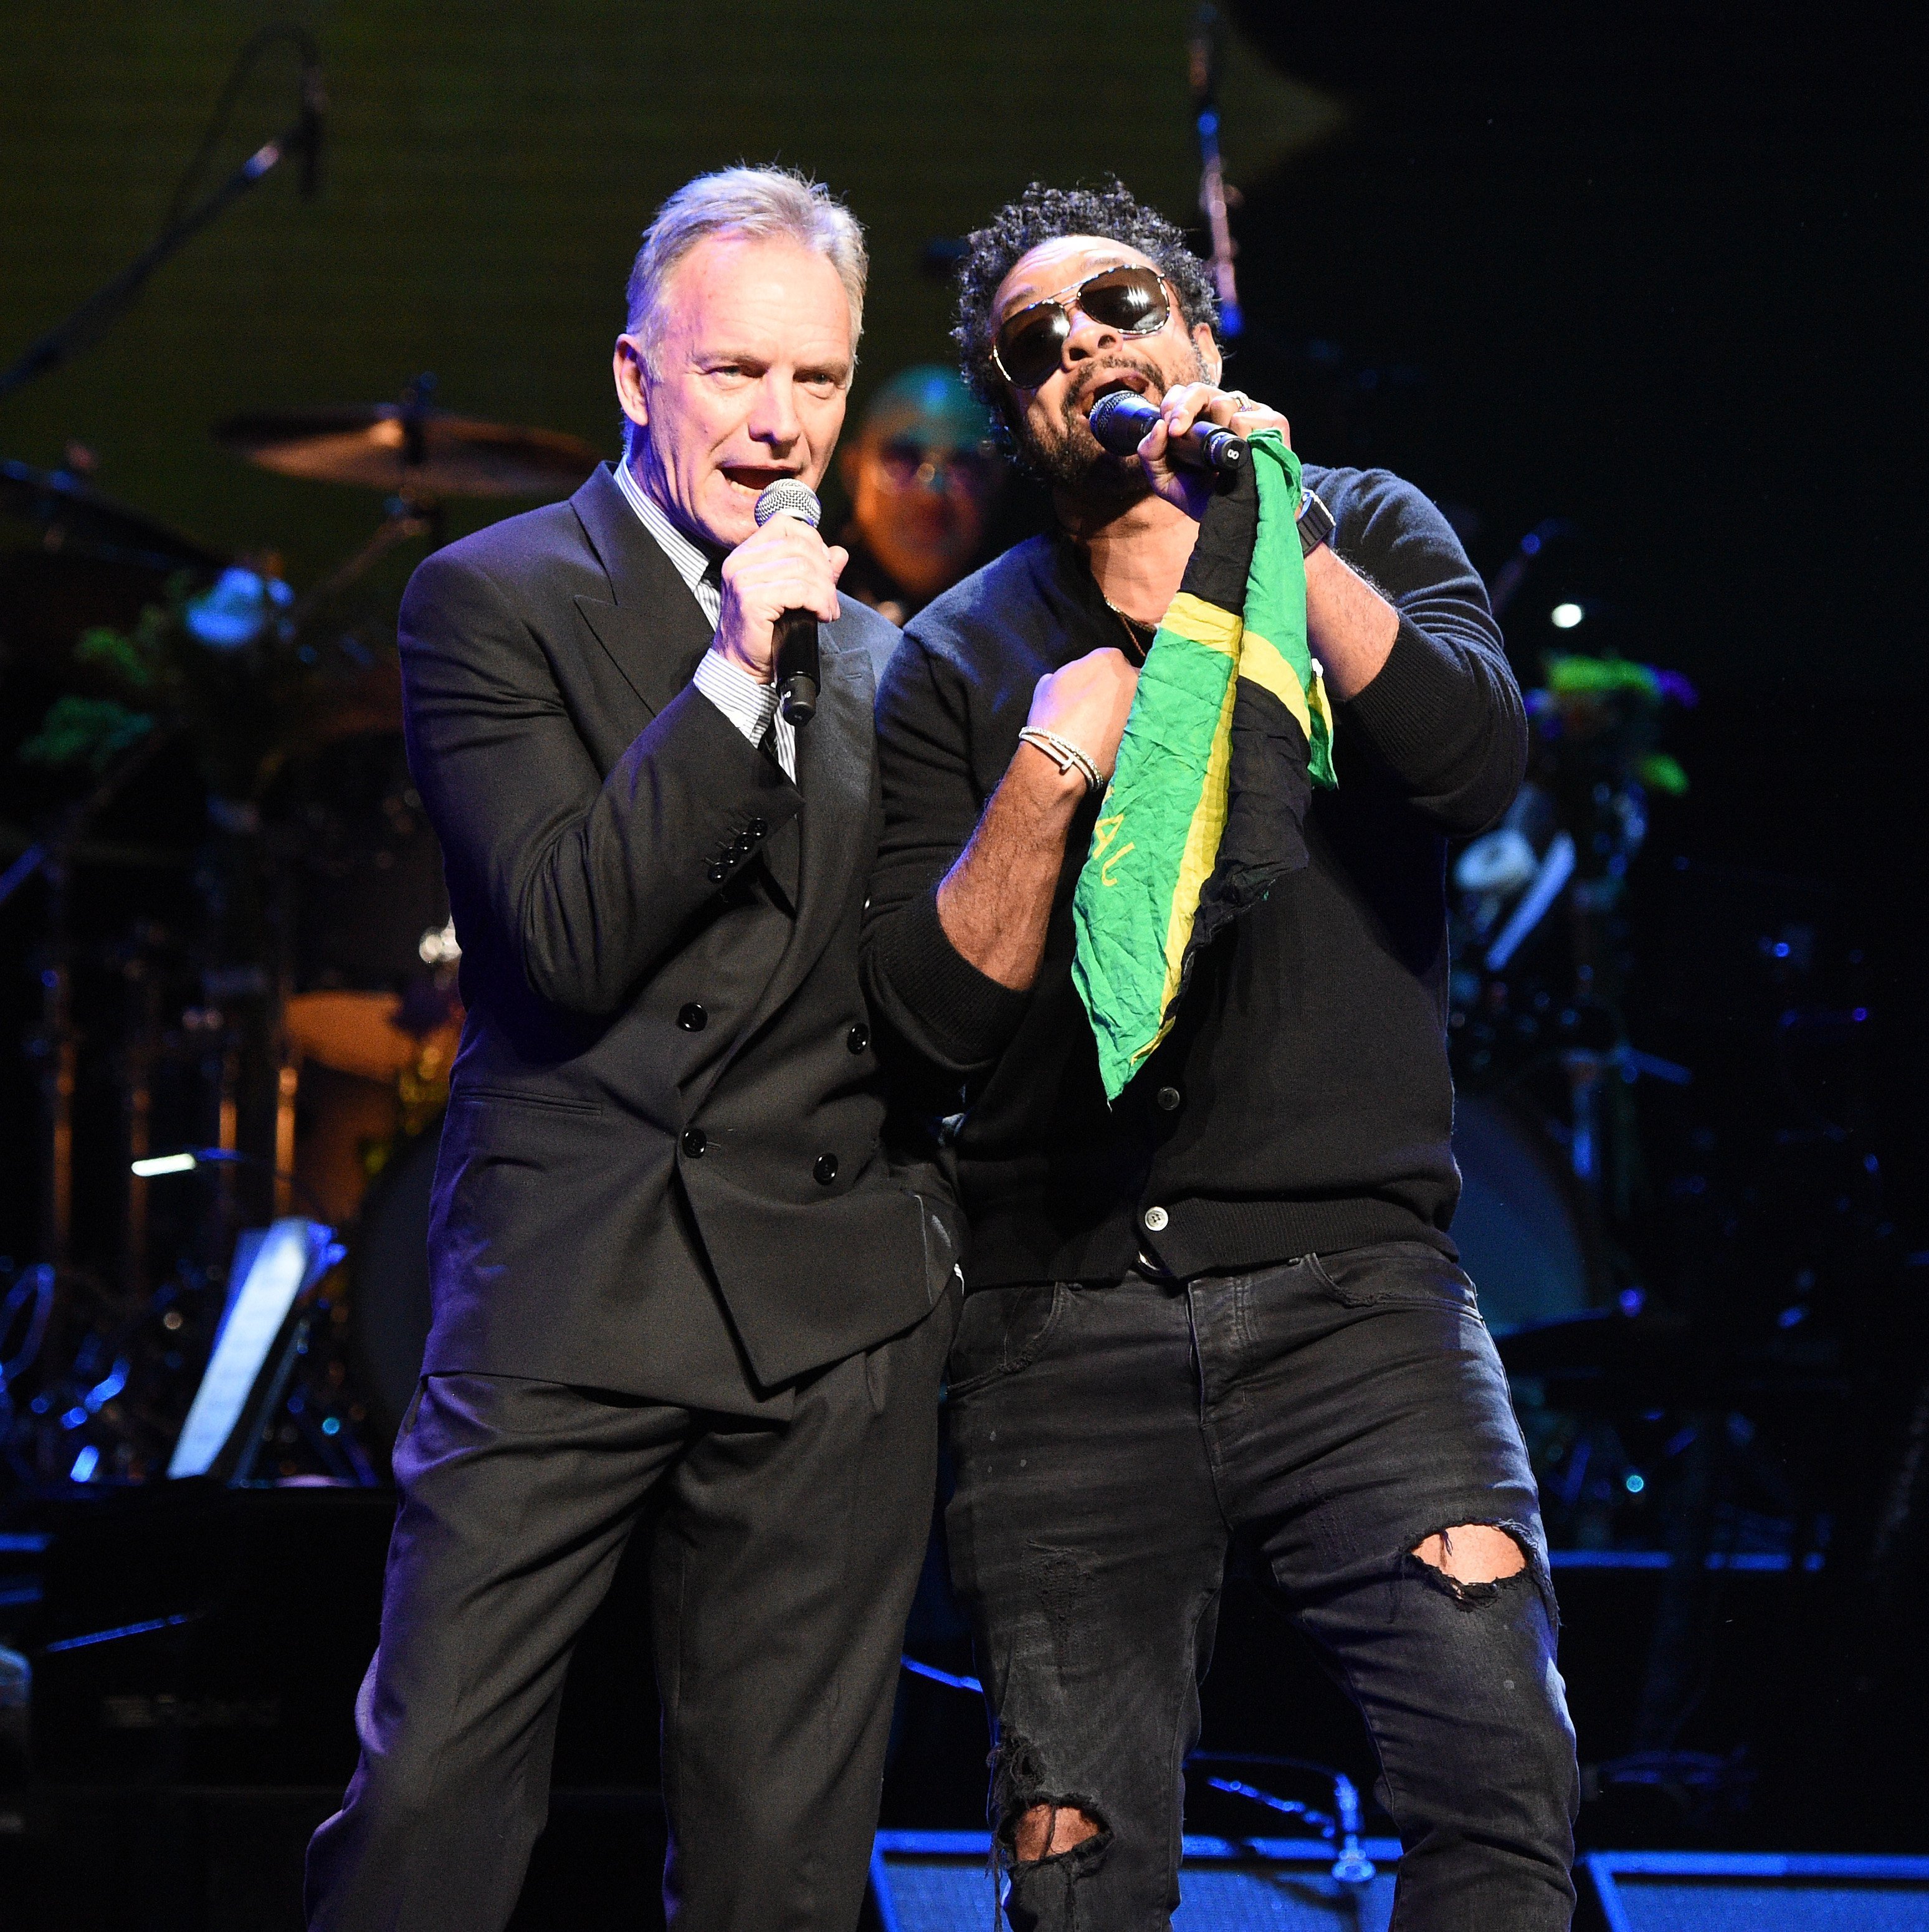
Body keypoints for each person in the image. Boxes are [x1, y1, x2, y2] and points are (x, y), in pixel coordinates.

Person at [864, 179, 1578, 1930]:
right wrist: (1046, 773)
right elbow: (929, 1019)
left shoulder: (1364, 528)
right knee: (1076, 1873)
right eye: (1033, 343)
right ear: (1017, 411)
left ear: (1198, 332)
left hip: (1360, 1296)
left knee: (1501, 1788)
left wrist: (1272, 526)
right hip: (1063, 1316)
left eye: (1116, 305)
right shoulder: (964, 655)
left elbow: (1472, 767)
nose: (1082, 345)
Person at [305, 166, 960, 1932]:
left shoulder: (892, 662)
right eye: (735, 373)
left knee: (787, 1863)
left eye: (816, 383)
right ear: (631, 374)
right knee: (432, 1792)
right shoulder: (490, 597)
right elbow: (572, 932)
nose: (778, 425)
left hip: (825, 1305)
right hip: (576, 1275)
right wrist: (740, 668)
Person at [836, 363, 1003, 623]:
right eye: (902, 462)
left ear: (997, 481)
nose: (931, 493)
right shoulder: (799, 600)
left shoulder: (1028, 616)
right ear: (853, 471)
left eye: (963, 467)